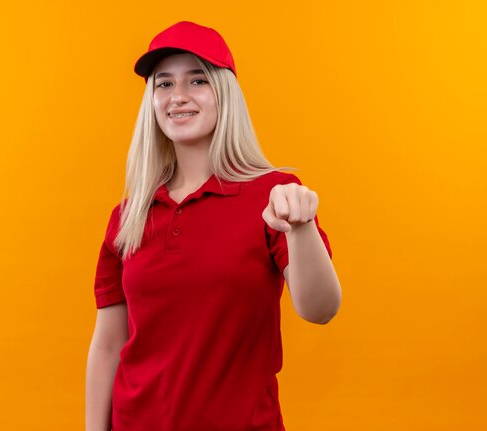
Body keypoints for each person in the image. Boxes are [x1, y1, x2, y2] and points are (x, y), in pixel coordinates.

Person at [85, 21, 342, 431]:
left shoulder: (274, 195)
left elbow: (321, 309)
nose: (178, 97)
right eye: (164, 84)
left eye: (197, 80)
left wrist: (301, 227)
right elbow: (109, 344)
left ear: (225, 94)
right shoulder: (128, 216)